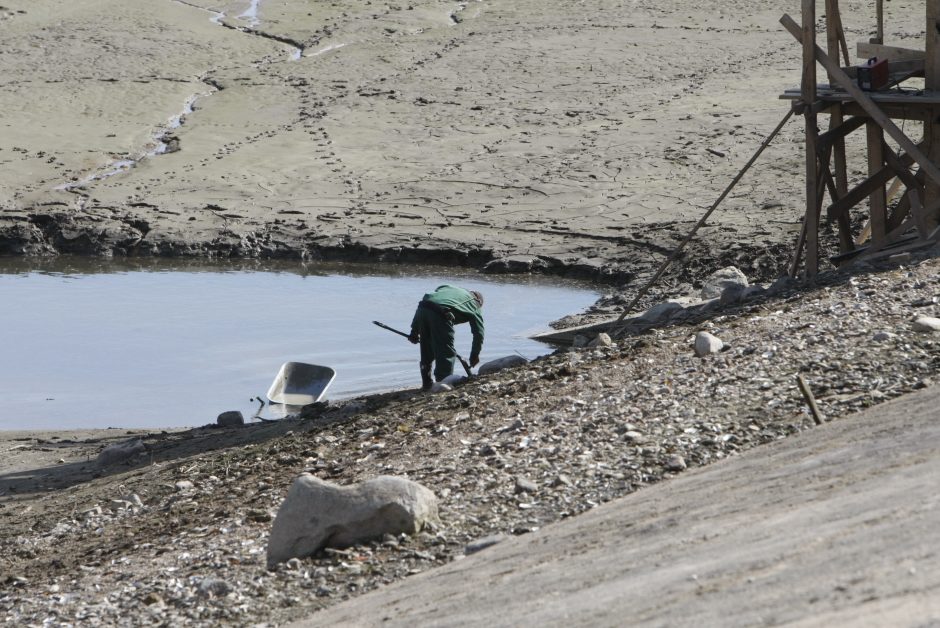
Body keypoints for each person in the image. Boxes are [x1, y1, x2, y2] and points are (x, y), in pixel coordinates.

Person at [408, 285, 484, 389]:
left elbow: (432, 298)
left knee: (426, 348)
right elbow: (478, 332)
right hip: (441, 313)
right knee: (446, 352)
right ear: (479, 301)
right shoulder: (474, 304)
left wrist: (414, 331)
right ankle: (443, 384)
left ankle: (426, 384)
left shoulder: (450, 288)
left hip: (422, 308)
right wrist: (474, 355)